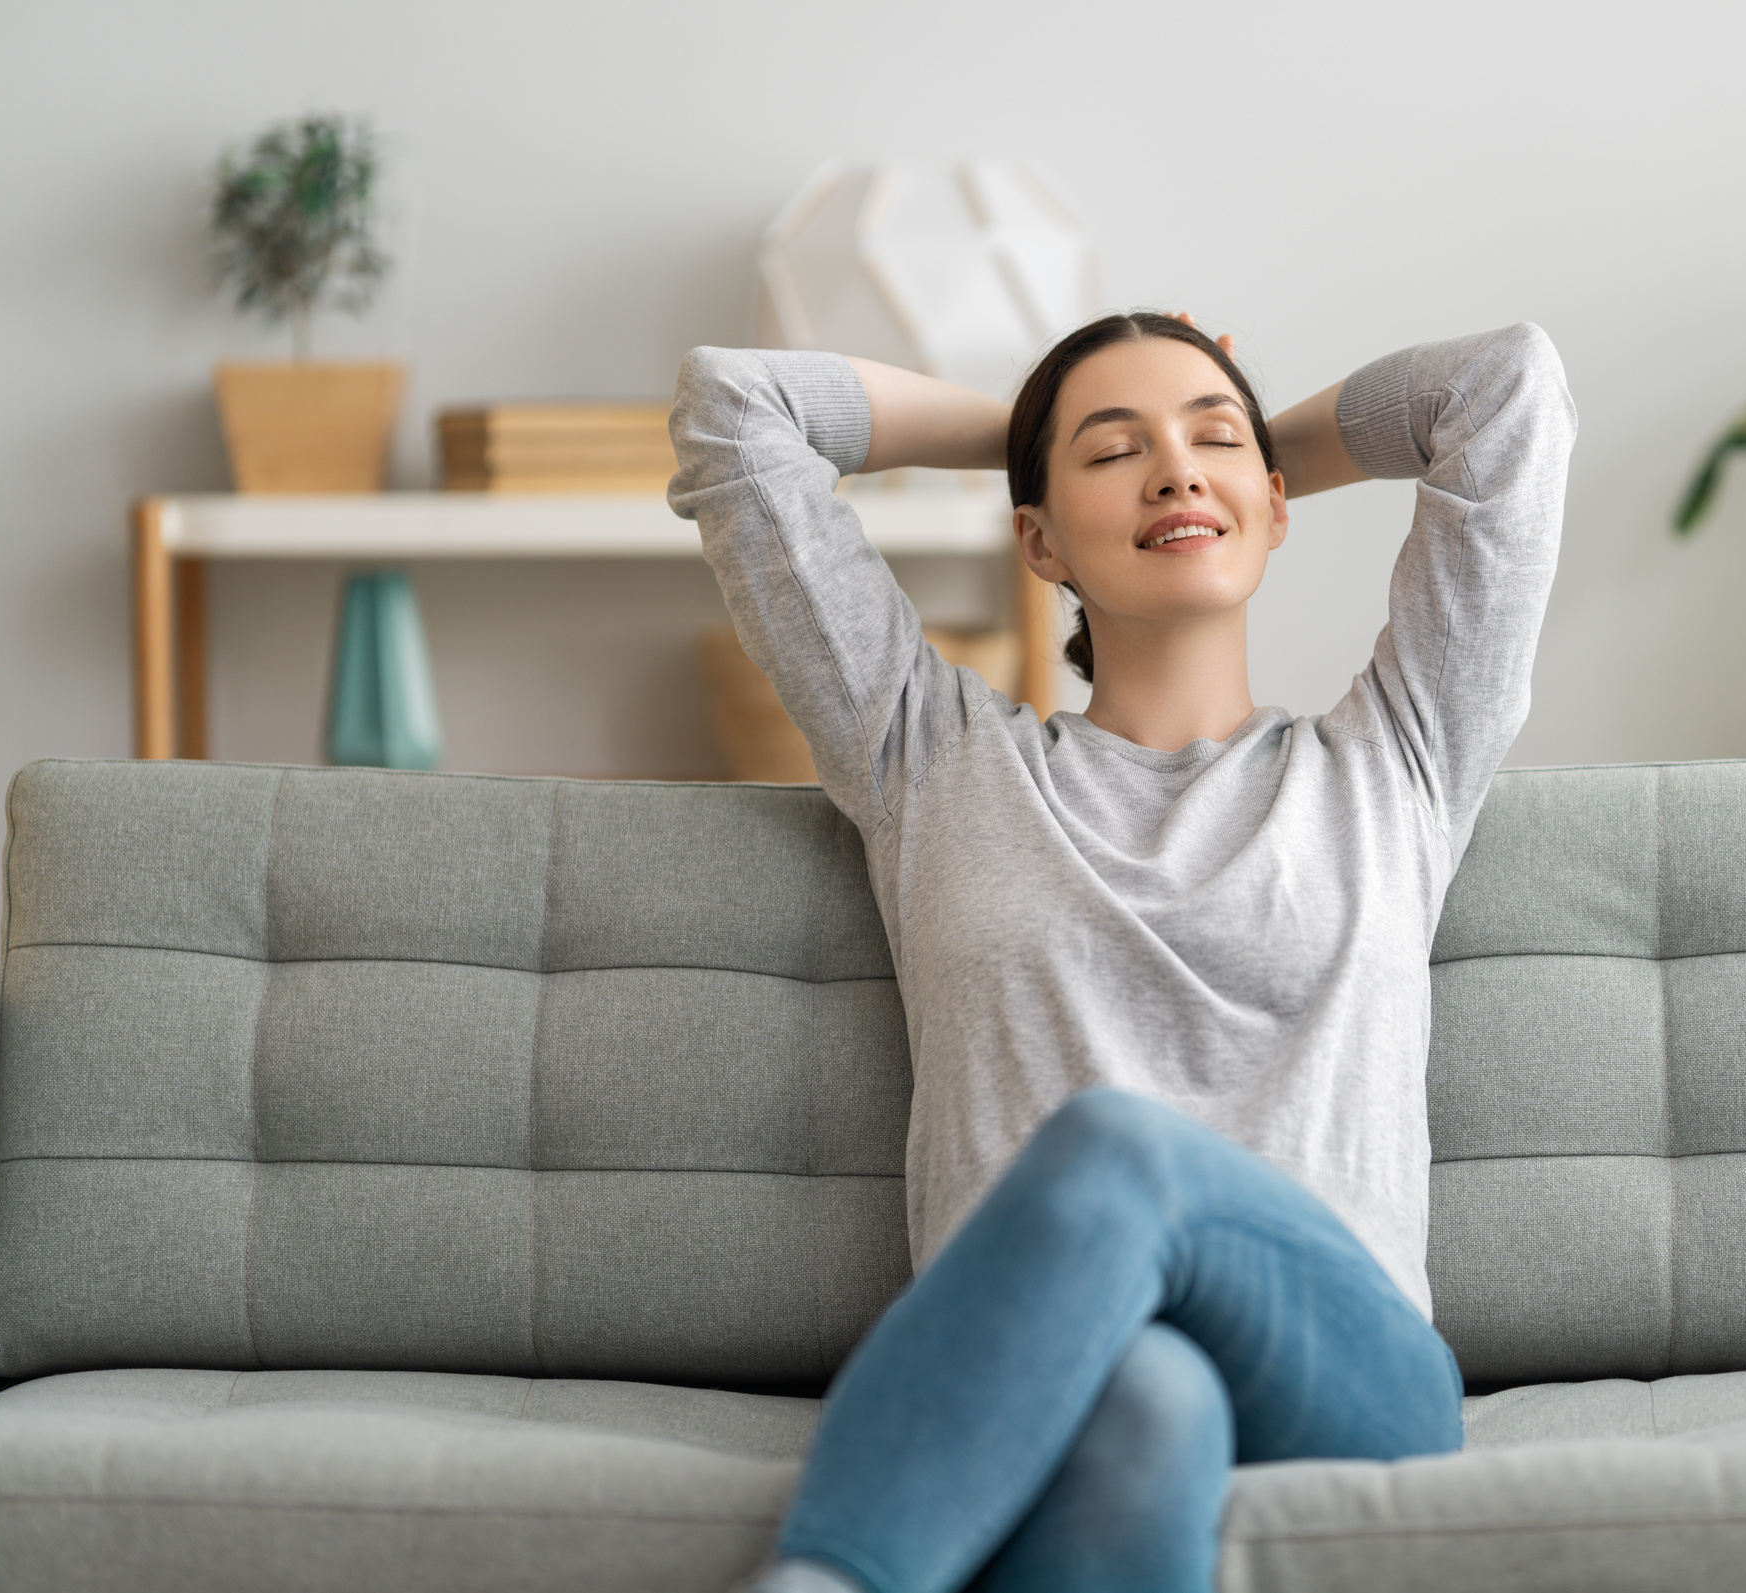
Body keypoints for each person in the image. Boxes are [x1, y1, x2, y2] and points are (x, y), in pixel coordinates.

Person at [668, 308, 1575, 1593]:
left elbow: (1504, 387)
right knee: (1148, 1392)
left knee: (1117, 1145)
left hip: (1347, 1368)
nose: (1174, 473)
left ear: (1275, 502)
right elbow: (734, 407)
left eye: (1212, 443)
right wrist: (1029, 430)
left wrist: (1238, 452)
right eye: (1113, 453)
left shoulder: (1401, 758)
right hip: (1048, 1365)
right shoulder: (933, 762)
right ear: (1036, 539)